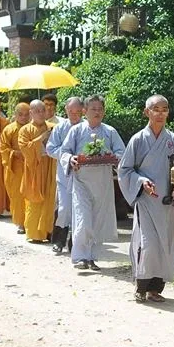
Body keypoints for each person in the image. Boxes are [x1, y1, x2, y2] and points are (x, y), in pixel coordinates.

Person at [117, 95, 174, 303]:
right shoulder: (138, 140)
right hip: (147, 201)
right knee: (147, 243)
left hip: (168, 201)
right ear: (146, 112)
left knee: (165, 243)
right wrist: (141, 182)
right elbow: (125, 169)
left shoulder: (173, 140)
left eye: (164, 109)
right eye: (155, 109)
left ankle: (156, 288)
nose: (160, 113)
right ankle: (141, 286)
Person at [59, 95, 125, 270]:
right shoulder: (76, 131)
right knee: (83, 220)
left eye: (100, 109)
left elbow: (121, 152)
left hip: (102, 182)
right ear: (85, 111)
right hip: (81, 181)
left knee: (97, 221)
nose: (97, 112)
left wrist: (113, 158)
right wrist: (71, 159)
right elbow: (64, 152)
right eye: (93, 109)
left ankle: (92, 257)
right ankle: (80, 257)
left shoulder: (110, 131)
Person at [46, 97, 85, 255]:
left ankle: (75, 242)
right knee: (63, 209)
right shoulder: (60, 128)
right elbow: (50, 149)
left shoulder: (87, 127)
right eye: (71, 112)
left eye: (77, 112)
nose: (74, 115)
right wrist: (66, 155)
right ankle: (58, 241)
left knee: (80, 210)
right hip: (64, 175)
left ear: (83, 111)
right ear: (66, 110)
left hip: (83, 176)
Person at [17, 100, 57, 243]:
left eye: (43, 110)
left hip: (50, 168)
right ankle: (34, 233)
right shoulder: (25, 130)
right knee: (35, 201)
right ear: (31, 113)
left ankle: (48, 231)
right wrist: (41, 139)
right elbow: (25, 148)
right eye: (37, 111)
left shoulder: (53, 128)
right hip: (34, 171)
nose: (41, 113)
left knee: (50, 201)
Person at [0, 103, 30, 234]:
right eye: (21, 114)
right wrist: (15, 153)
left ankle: (31, 222)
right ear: (15, 115)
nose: (24, 117)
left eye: (26, 114)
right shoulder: (9, 129)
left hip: (31, 167)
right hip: (15, 168)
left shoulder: (33, 128)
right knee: (18, 196)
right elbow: (3, 148)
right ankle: (20, 223)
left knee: (31, 194)